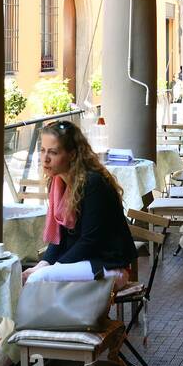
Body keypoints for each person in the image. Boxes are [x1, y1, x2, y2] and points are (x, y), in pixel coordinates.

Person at [24, 120, 136, 284]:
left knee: (39, 279)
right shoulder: (57, 182)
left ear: (72, 154)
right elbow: (59, 237)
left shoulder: (93, 183)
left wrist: (52, 268)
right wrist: (42, 264)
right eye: (42, 151)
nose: (45, 159)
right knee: (30, 273)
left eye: (53, 152)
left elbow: (90, 240)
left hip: (108, 264)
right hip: (83, 259)